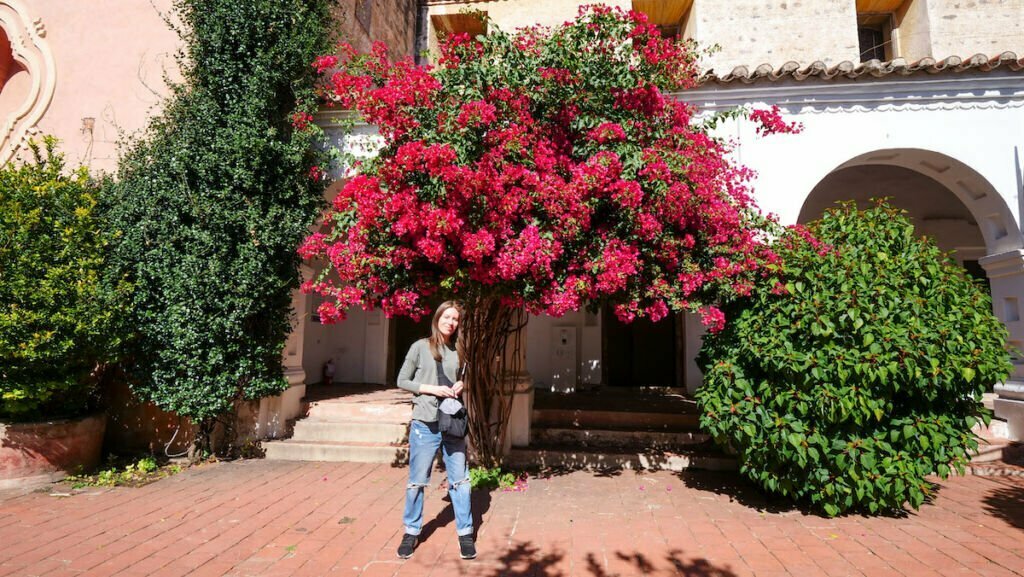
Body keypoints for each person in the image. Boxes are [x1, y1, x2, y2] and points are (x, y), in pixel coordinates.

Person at [395, 300, 475, 560]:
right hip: (425, 422)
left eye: (455, 319)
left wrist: (461, 384)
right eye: (447, 317)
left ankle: (465, 533)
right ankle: (411, 531)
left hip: (451, 421)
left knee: (460, 480)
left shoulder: (458, 350)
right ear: (437, 317)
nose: (451, 322)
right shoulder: (420, 347)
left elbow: (462, 377)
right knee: (417, 481)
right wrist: (431, 388)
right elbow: (402, 380)